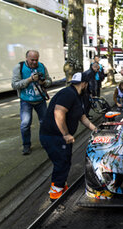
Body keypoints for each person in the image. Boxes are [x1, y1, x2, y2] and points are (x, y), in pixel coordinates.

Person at [40, 72, 97, 201]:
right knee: (61, 163)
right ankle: (55, 195)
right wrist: (65, 134)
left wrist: (96, 129)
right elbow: (59, 112)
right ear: (84, 84)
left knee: (65, 161)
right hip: (53, 136)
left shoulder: (77, 96)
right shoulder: (68, 94)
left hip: (59, 136)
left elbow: (82, 117)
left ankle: (61, 187)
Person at [11, 50, 52, 155]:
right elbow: (14, 85)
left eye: (36, 60)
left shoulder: (41, 66)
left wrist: (44, 82)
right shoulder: (19, 67)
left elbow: (49, 81)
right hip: (26, 100)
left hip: (40, 100)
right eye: (32, 60)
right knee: (25, 124)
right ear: (27, 58)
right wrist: (29, 80)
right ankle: (26, 145)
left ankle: (45, 142)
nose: (34, 62)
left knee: (44, 123)